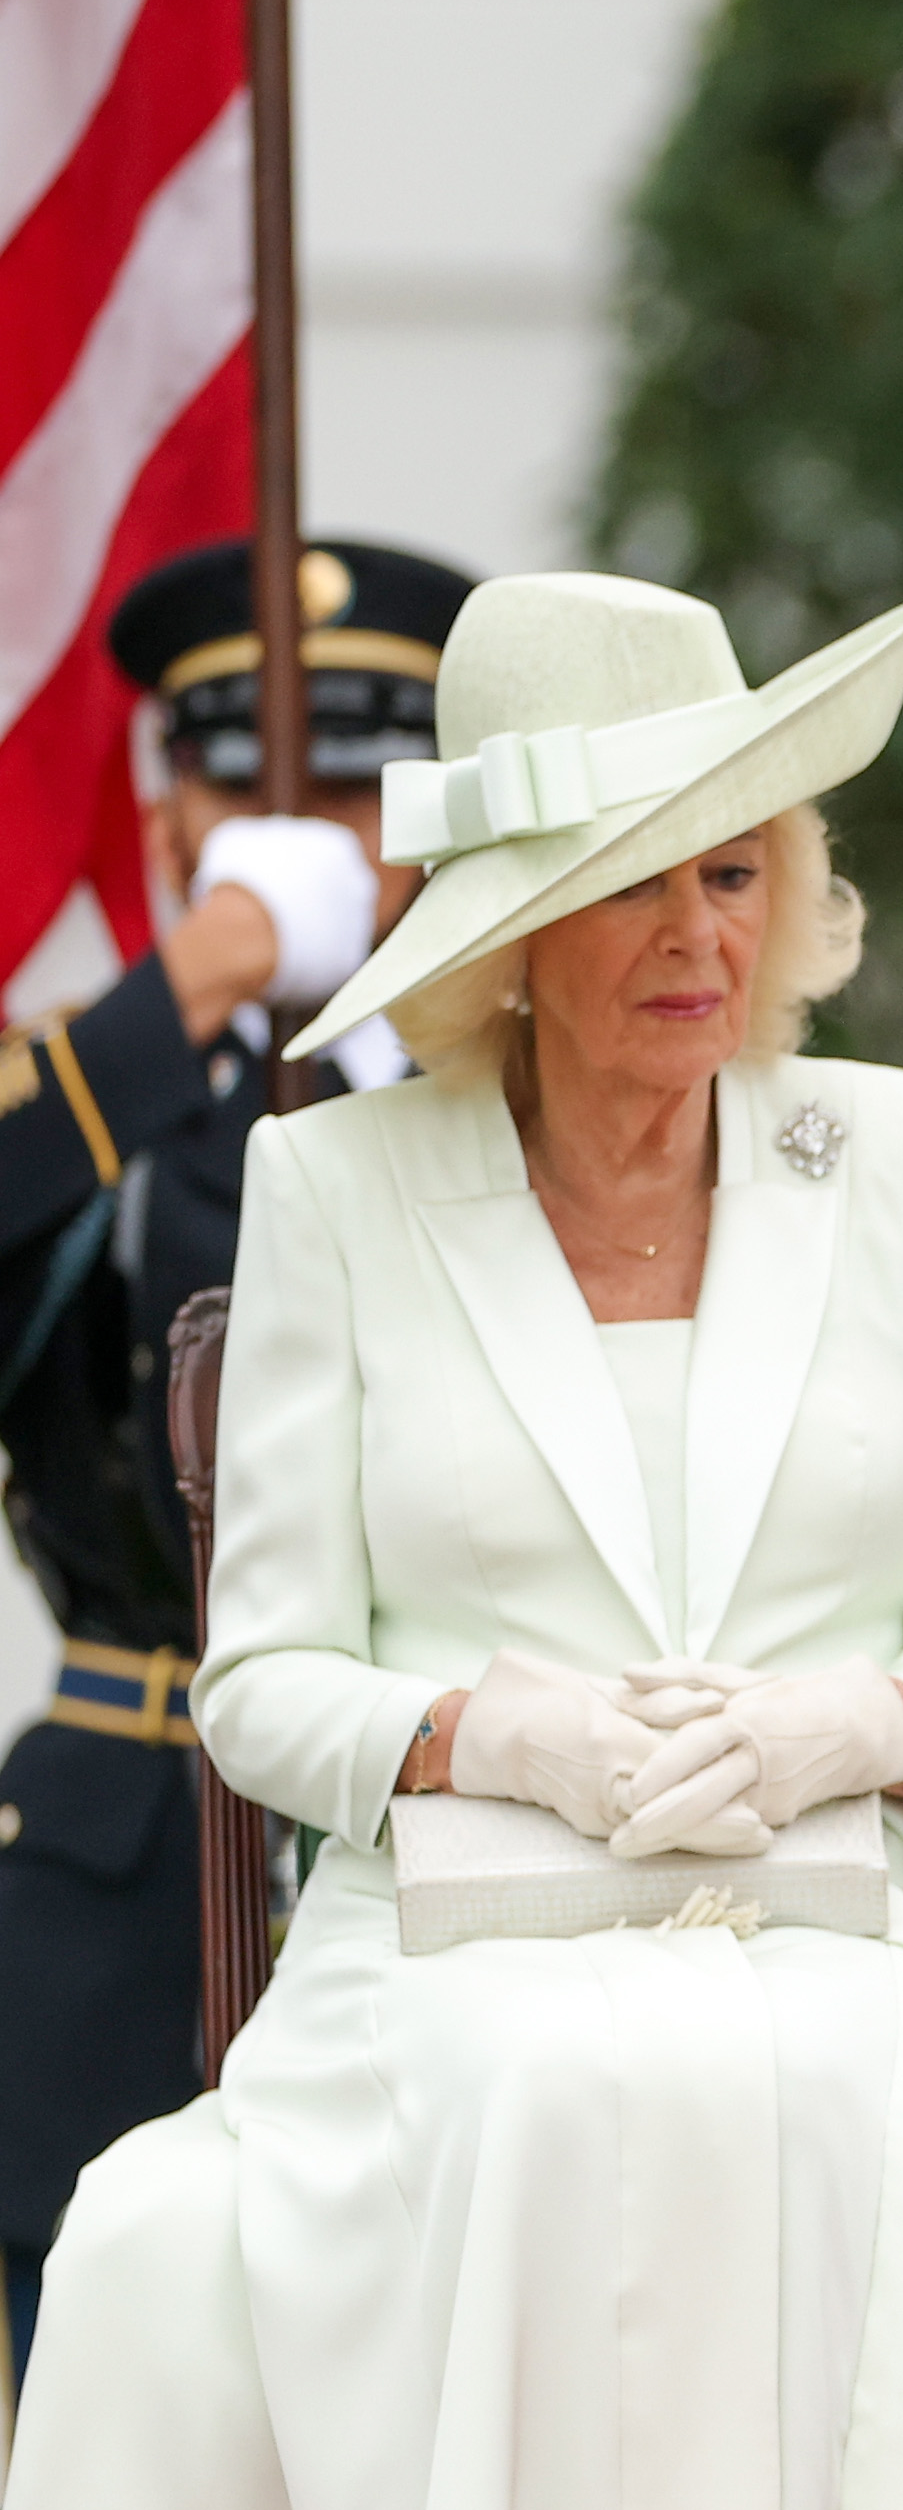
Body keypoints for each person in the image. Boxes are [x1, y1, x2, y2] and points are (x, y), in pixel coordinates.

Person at [0, 571, 903, 2510]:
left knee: (865, 2119)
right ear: (505, 934)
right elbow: (265, 1678)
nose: (699, 934)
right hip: (456, 1930)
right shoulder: (337, 1184)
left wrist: (837, 1723)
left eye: (735, 869)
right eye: (628, 882)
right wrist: (500, 1728)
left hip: (849, 1908)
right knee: (554, 2089)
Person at [0, 537, 466, 2365]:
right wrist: (174, 1003)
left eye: (350, 782)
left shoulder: (513, 1115)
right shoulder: (79, 1109)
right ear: (168, 808)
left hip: (438, 1847)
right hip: (130, 1853)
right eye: (244, 778)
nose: (299, 828)